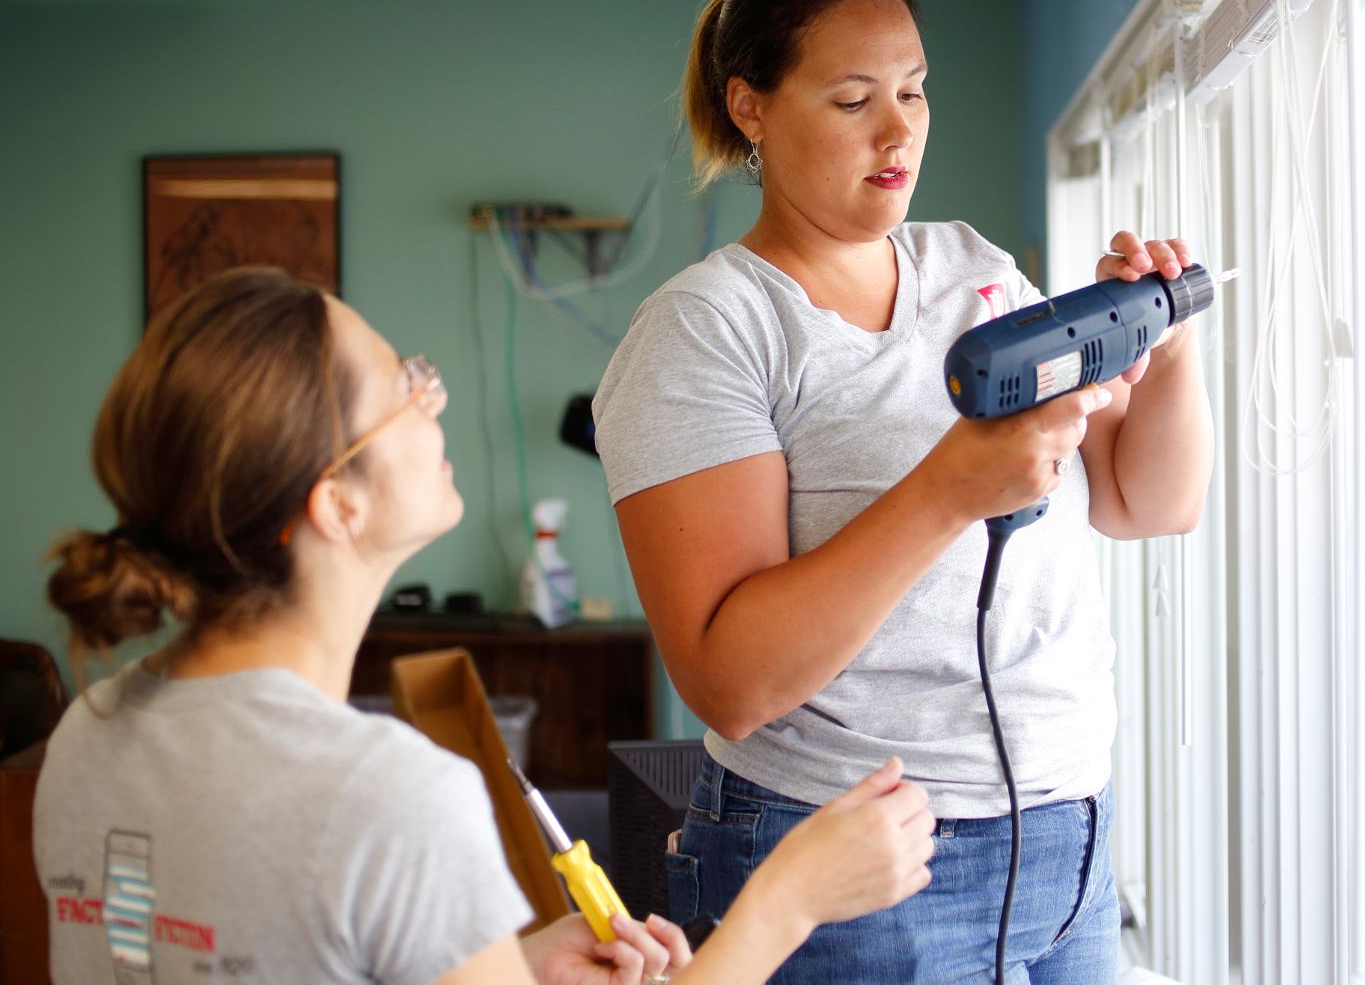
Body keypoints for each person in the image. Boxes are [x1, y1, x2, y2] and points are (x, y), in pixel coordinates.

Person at [592, 0, 1215, 983]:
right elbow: (730, 682)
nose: (898, 130)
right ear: (750, 107)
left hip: (1071, 833)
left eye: (914, 91)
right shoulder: (710, 331)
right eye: (851, 101)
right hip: (858, 861)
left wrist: (1168, 342)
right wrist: (945, 492)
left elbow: (1148, 501)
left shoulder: (974, 267)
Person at [34, 265, 936, 985]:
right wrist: (786, 901)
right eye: (403, 387)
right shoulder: (389, 797)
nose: (435, 400)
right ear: (336, 503)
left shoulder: (89, 731)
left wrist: (492, 963)